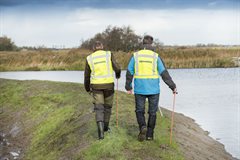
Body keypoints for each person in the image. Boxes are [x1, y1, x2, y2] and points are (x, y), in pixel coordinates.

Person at [125, 35, 177, 141]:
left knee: (139, 110)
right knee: (152, 112)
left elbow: (129, 71)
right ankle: (149, 135)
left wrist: (128, 86)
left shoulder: (135, 56)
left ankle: (142, 126)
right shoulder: (155, 56)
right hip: (154, 89)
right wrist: (173, 86)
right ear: (151, 44)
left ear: (143, 43)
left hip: (140, 88)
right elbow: (164, 73)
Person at [84, 41, 121, 140]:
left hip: (96, 87)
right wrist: (118, 74)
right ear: (102, 47)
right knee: (107, 107)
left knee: (99, 108)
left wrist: (87, 88)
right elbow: (117, 67)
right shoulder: (108, 54)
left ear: (93, 48)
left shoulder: (89, 58)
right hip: (109, 86)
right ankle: (105, 128)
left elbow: (86, 76)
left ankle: (101, 134)